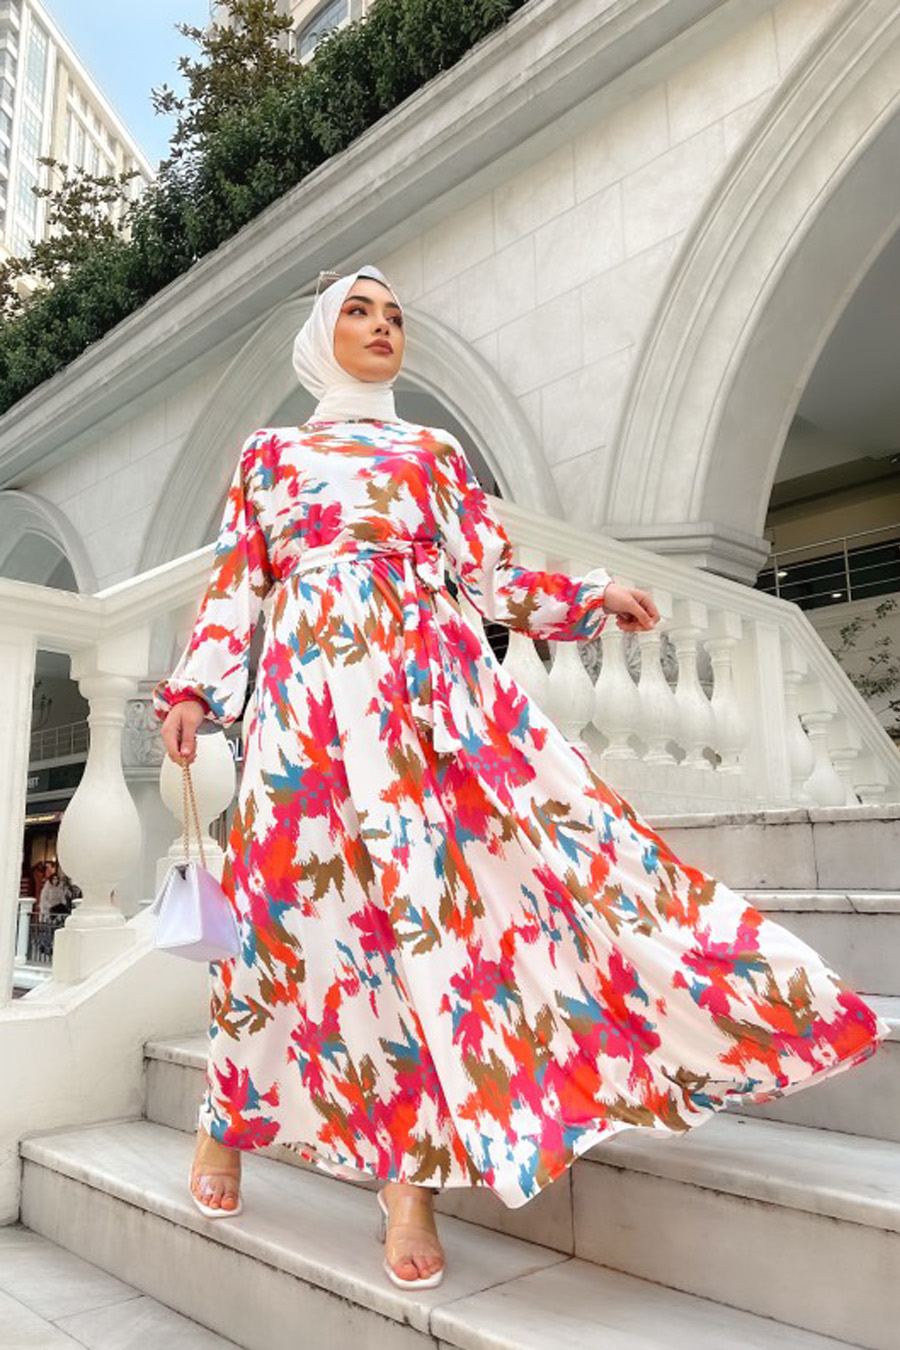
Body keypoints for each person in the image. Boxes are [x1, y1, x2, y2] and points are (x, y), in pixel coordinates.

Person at [154, 263, 892, 1291]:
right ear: (323, 335)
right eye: (359, 312)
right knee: (286, 923)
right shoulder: (271, 455)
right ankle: (227, 1119)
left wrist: (591, 598)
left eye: (395, 315)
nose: (382, 327)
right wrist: (195, 687)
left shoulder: (434, 454)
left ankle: (408, 1182)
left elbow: (492, 581)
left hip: (428, 712)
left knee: (413, 928)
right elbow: (240, 583)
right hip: (307, 715)